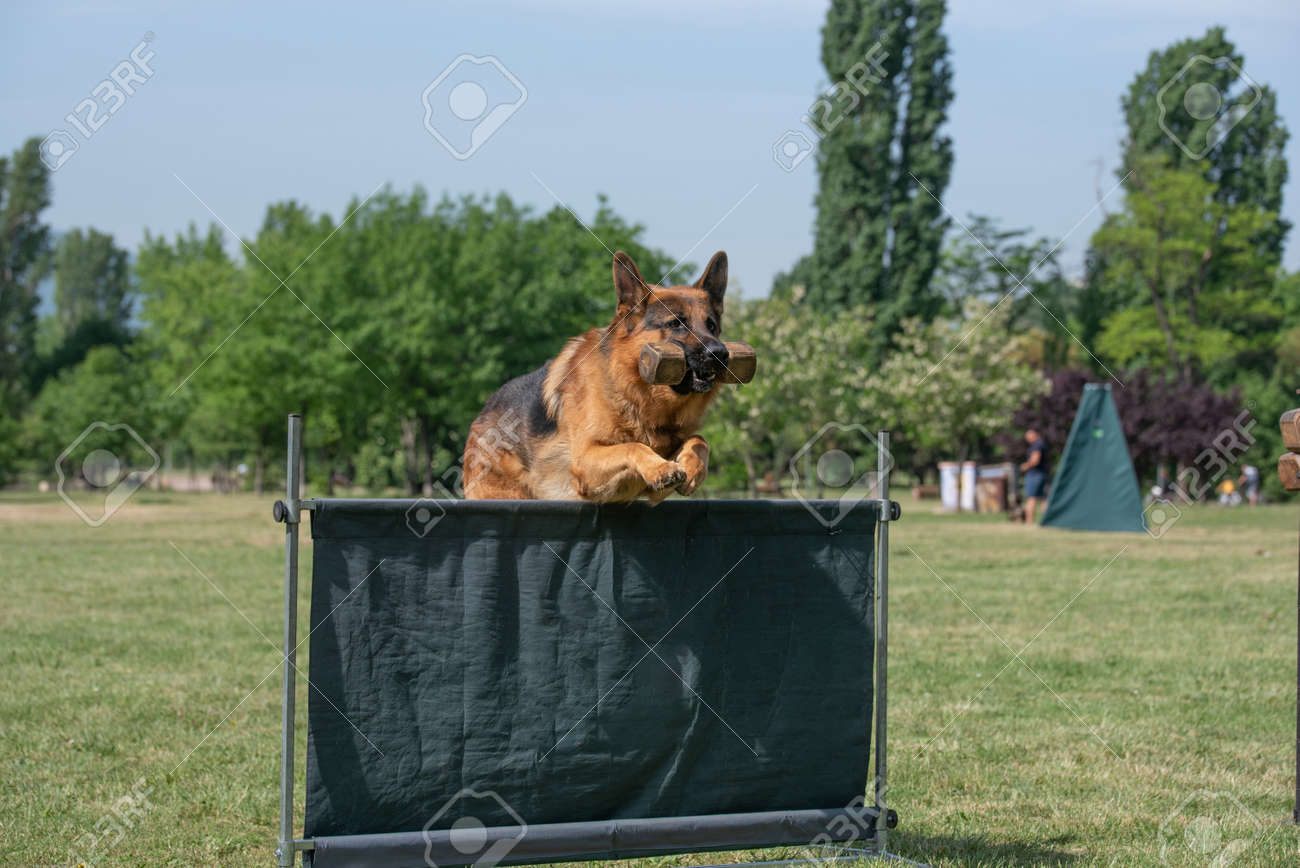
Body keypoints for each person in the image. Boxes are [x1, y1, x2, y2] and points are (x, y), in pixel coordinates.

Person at [1020, 429, 1048, 524]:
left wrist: (1025, 466)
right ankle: (1046, 520)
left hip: (1034, 474)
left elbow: (1035, 460)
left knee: (1031, 498)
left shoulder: (1037, 445)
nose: (1027, 439)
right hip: (1042, 474)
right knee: (1044, 498)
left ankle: (1029, 521)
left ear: (1034, 435)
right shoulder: (1042, 444)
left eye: (1028, 436)